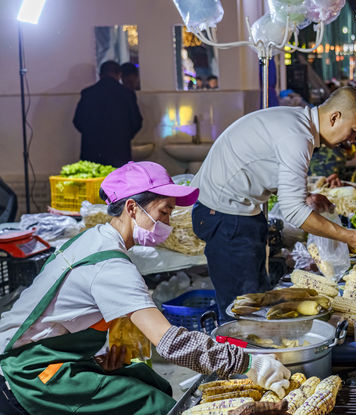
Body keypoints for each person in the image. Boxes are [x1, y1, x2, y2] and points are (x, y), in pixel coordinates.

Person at [0, 162, 290, 414]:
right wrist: (247, 363)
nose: (167, 224)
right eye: (164, 212)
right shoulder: (110, 265)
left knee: (151, 379)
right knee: (152, 403)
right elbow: (171, 344)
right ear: (131, 207)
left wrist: (100, 352)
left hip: (48, 357)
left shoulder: (94, 237)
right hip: (31, 372)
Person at [191, 87, 356, 322]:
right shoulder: (298, 136)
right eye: (353, 131)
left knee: (257, 301)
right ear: (335, 117)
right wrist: (350, 237)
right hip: (226, 216)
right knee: (242, 310)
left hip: (238, 212)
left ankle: (257, 354)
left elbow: (268, 166)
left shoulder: (298, 124)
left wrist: (305, 195)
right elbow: (293, 212)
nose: (352, 140)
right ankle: (240, 355)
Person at [73, 61, 142, 167]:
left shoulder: (88, 93)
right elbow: (136, 122)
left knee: (94, 181)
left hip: (91, 150)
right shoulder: (127, 94)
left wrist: (91, 135)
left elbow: (77, 121)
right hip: (119, 151)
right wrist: (123, 136)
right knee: (119, 181)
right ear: (119, 75)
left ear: (100, 75)